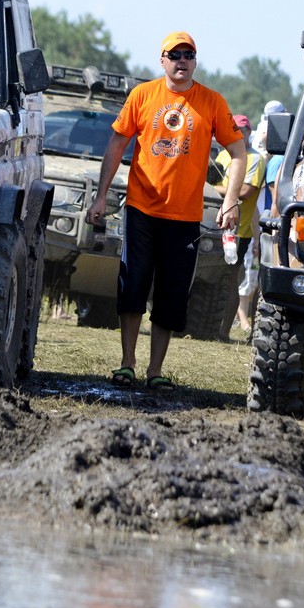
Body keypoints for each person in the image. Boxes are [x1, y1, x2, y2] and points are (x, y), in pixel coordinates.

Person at [84, 31, 245, 390]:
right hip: (141, 209)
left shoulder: (211, 101)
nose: (182, 61)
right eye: (175, 55)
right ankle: (127, 363)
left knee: (172, 295)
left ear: (195, 62)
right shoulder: (143, 95)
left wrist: (231, 200)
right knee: (133, 285)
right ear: (162, 60)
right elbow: (117, 143)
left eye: (188, 55)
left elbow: (238, 152)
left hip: (184, 217)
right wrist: (101, 196)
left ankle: (155, 371)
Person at [213, 114, 265, 339]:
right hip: (214, 224)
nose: (237, 133)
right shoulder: (223, 155)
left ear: (249, 133)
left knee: (230, 277)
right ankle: (209, 327)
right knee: (213, 277)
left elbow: (245, 192)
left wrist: (213, 189)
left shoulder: (254, 159)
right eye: (233, 129)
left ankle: (223, 331)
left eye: (241, 130)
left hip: (238, 230)